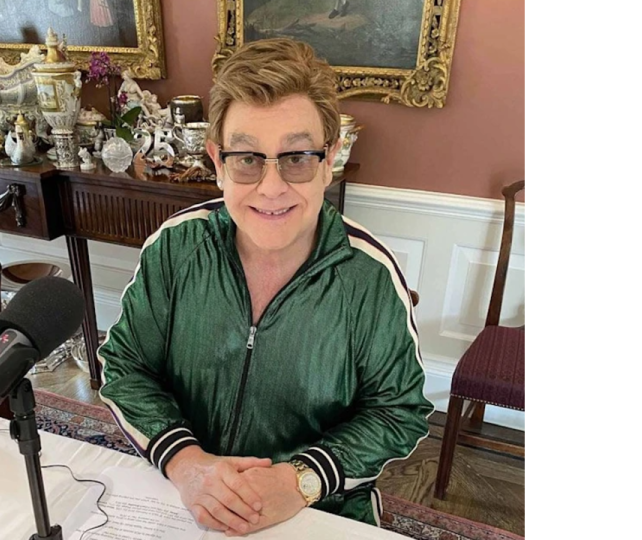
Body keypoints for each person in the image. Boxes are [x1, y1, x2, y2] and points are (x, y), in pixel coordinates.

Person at [97, 37, 433, 536]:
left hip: (321, 516)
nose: (271, 187)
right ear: (217, 161)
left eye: (296, 157)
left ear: (329, 158)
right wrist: (188, 465)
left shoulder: (370, 278)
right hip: (186, 506)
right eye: (247, 158)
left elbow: (397, 411)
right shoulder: (174, 250)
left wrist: (299, 480)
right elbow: (126, 368)